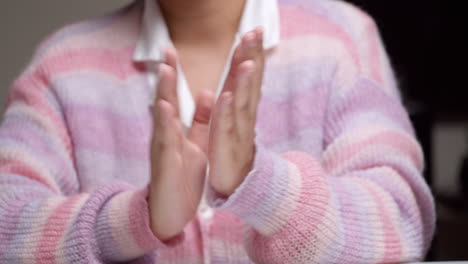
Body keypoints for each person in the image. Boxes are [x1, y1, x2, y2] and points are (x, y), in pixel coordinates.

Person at [0, 0, 436, 263]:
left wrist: (264, 184)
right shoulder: (60, 66)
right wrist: (135, 219)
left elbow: (401, 220)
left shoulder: (341, 36)